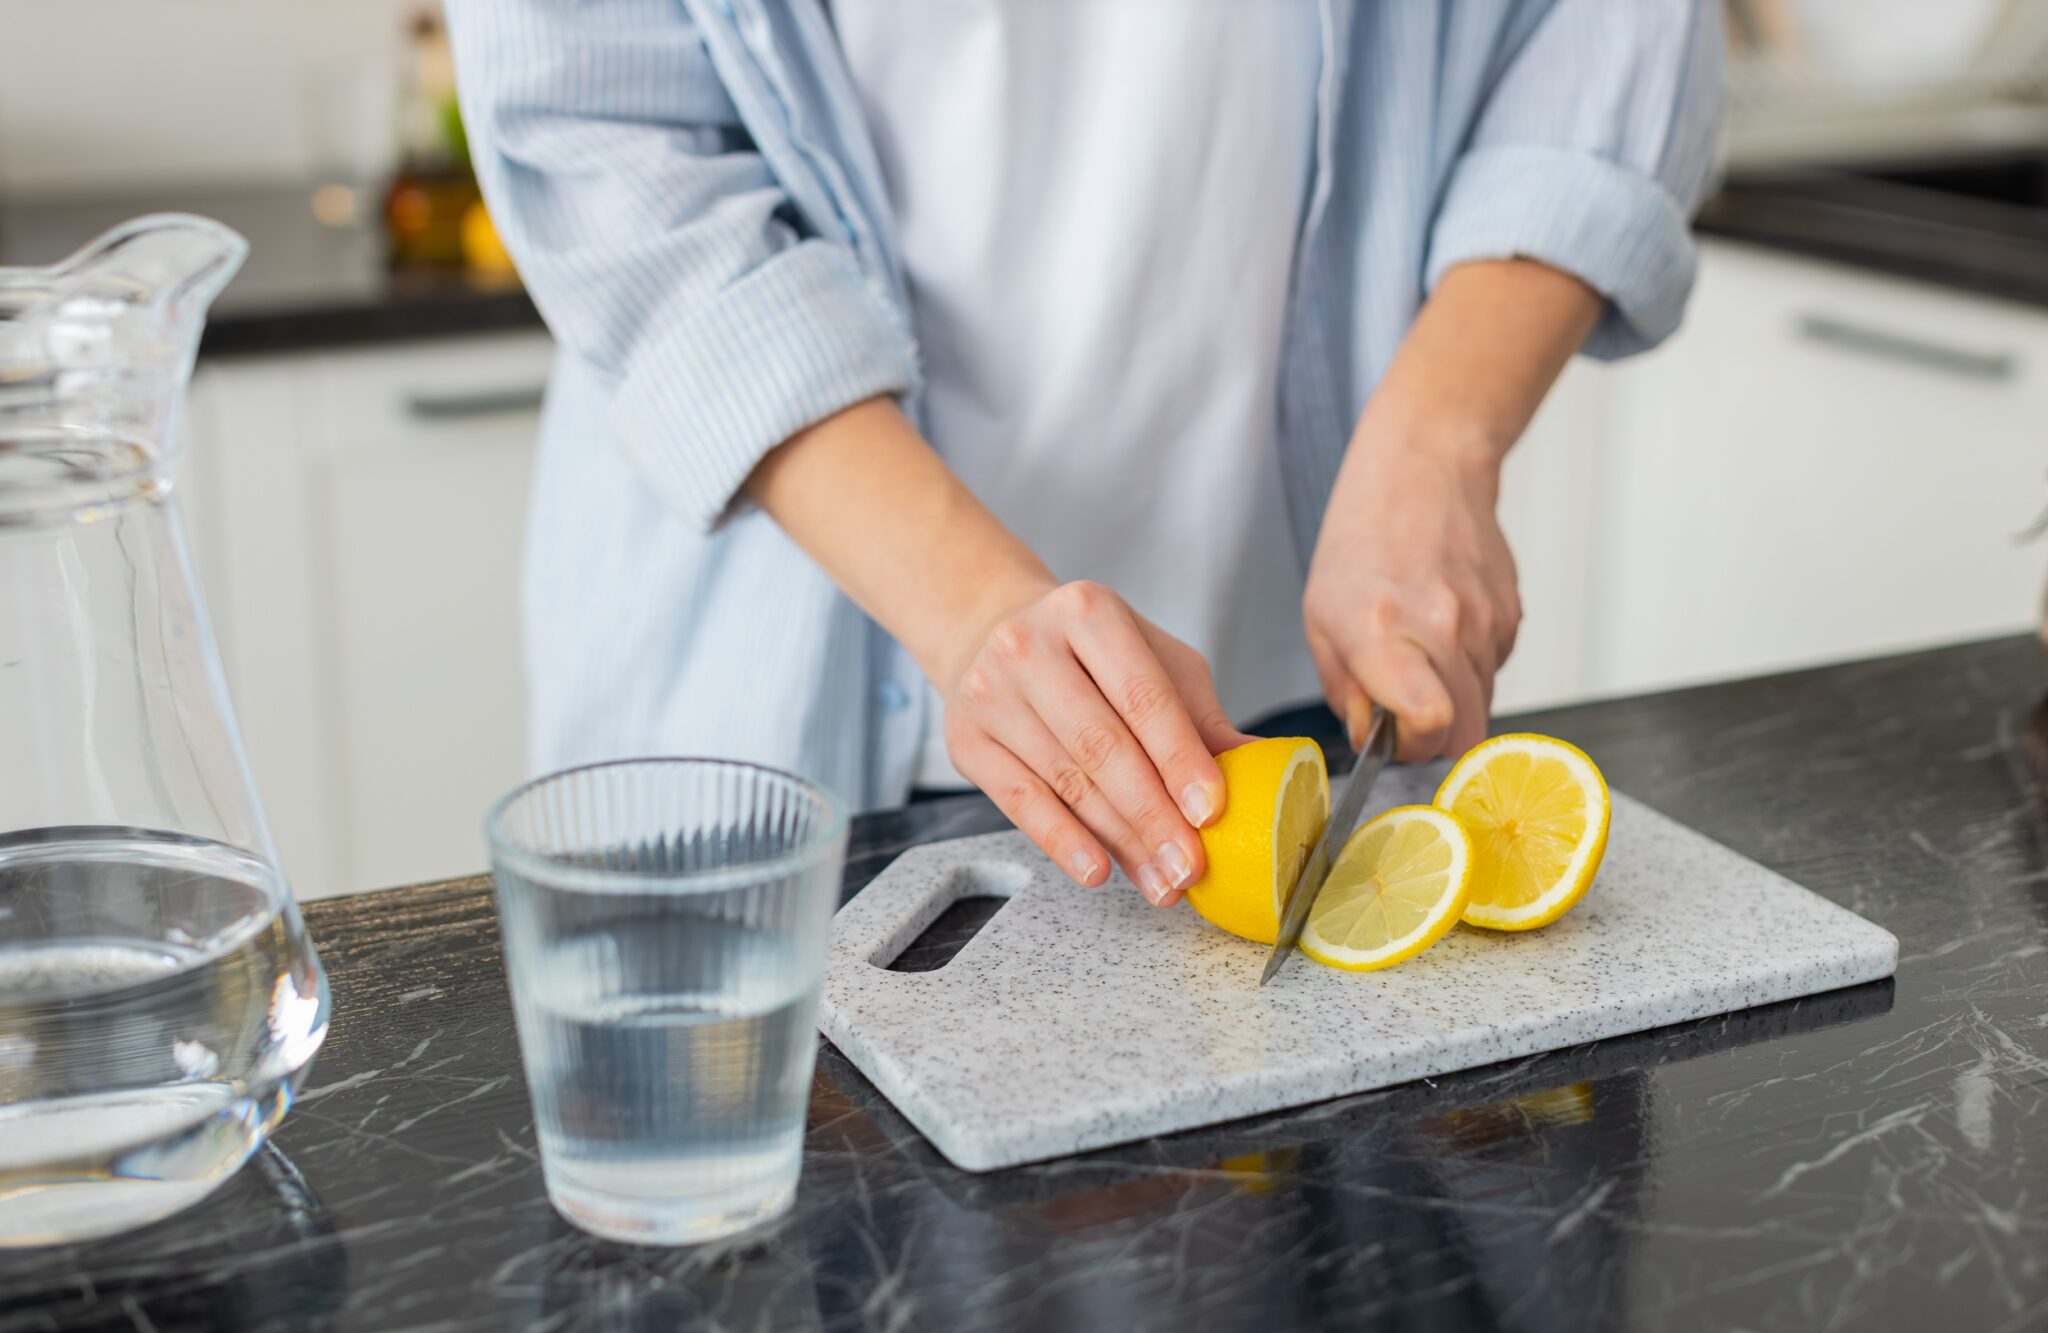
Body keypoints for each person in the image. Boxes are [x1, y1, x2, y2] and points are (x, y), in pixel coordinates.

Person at [444, 0, 1722, 908]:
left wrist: (1438, 435)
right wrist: (969, 608)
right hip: (773, 715)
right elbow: (597, 133)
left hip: (1296, 695)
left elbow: (1607, 28)